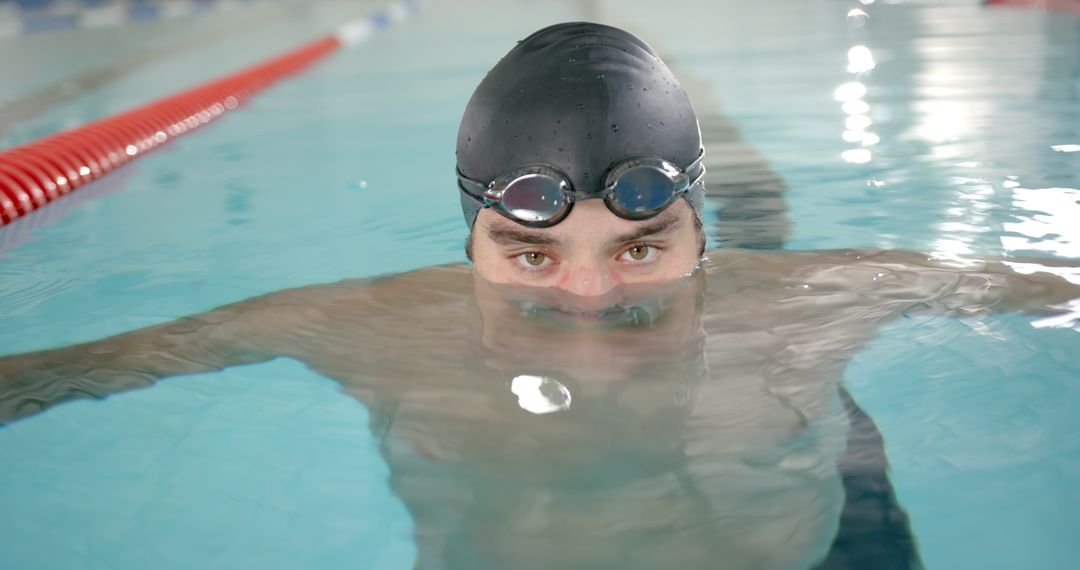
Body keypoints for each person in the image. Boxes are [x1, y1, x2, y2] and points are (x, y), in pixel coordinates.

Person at [2, 22, 1078, 570]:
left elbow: (1041, 285)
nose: (592, 295)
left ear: (703, 229)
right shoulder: (365, 324)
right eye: (531, 255)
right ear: (470, 233)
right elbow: (81, 369)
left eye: (644, 246)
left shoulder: (819, 299)